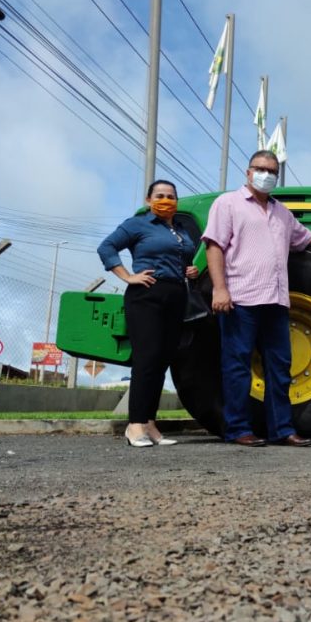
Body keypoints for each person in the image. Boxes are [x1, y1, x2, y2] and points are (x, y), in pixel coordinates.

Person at [202, 150, 311, 447]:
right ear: (248, 172)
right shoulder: (228, 203)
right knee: (237, 366)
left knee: (280, 368)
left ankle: (282, 430)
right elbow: (214, 246)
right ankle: (238, 429)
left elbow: (307, 238)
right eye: (260, 169)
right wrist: (219, 289)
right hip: (241, 299)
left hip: (276, 302)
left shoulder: (282, 213)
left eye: (272, 171)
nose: (266, 175)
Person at [98, 180, 199, 447]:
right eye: (160, 195)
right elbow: (106, 247)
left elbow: (181, 258)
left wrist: (189, 269)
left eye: (171, 196)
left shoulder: (180, 229)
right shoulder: (138, 224)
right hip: (146, 294)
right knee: (147, 359)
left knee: (163, 360)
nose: (166, 200)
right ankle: (134, 425)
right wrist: (127, 276)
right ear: (148, 200)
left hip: (176, 295)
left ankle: (150, 424)